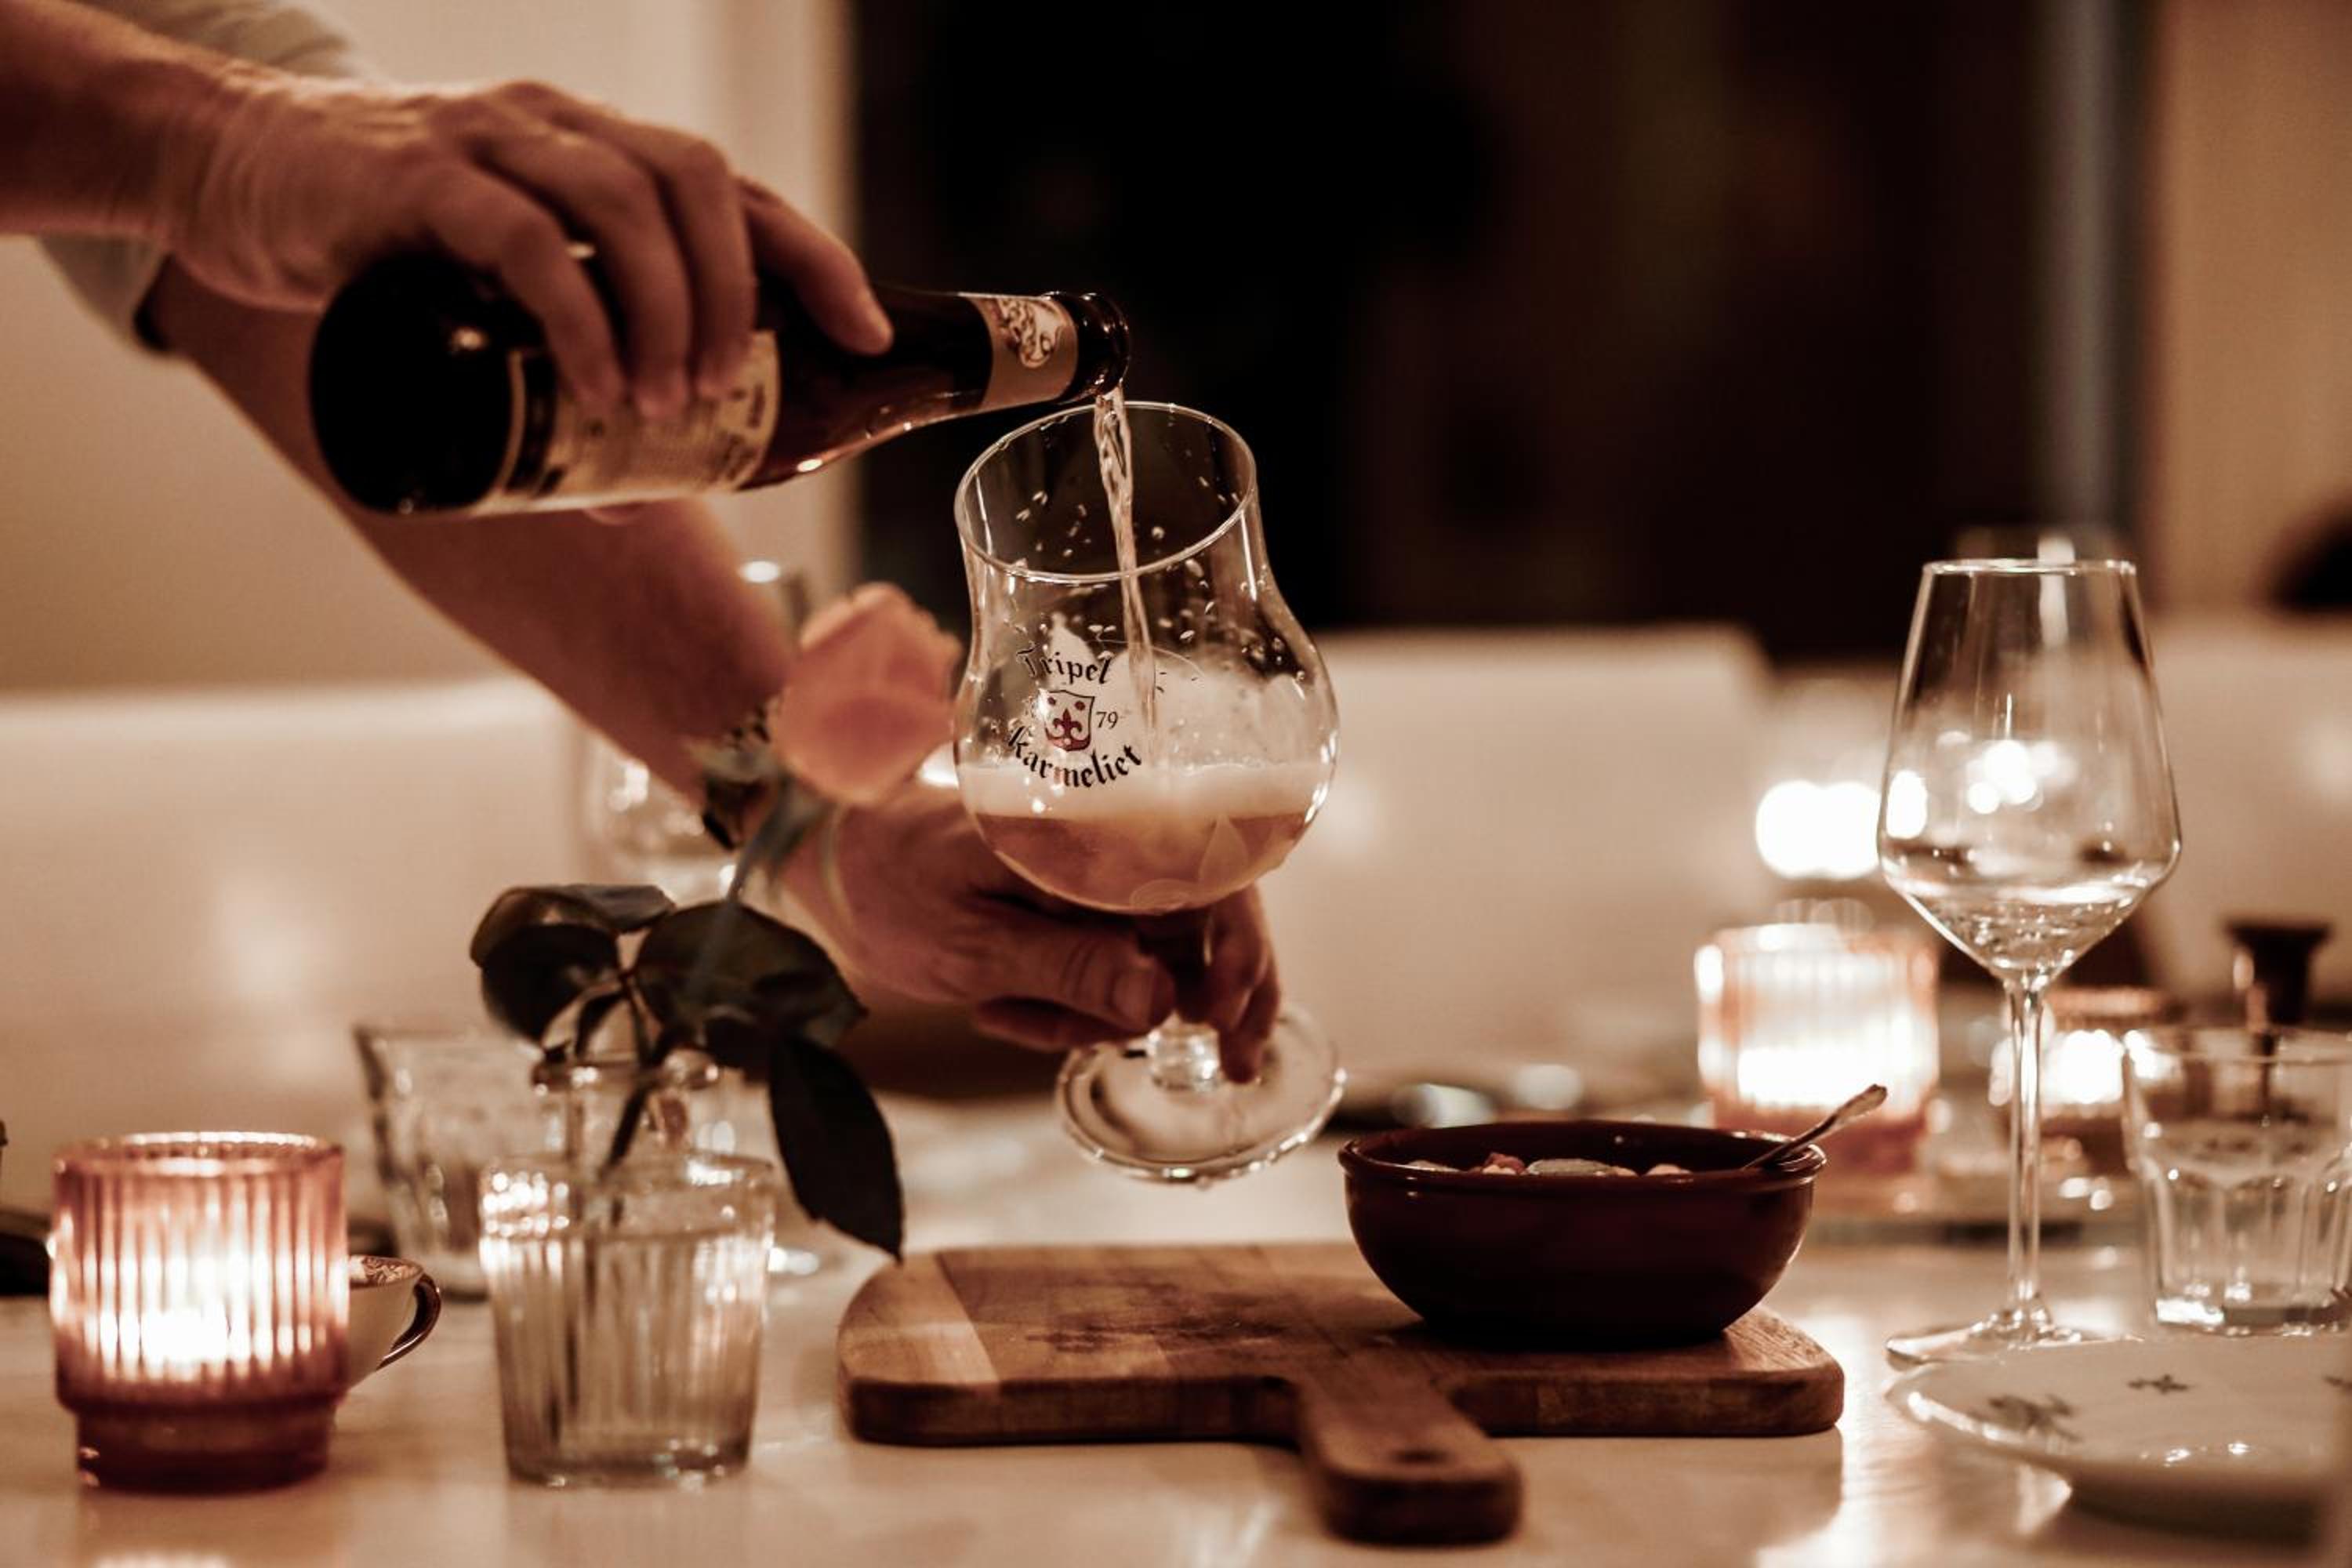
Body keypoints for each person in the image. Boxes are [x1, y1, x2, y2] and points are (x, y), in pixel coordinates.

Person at [2, 0, 1279, 1074]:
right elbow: (211, 163)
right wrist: (220, 137)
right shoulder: (202, 133)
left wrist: (825, 830)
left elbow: (317, 309)